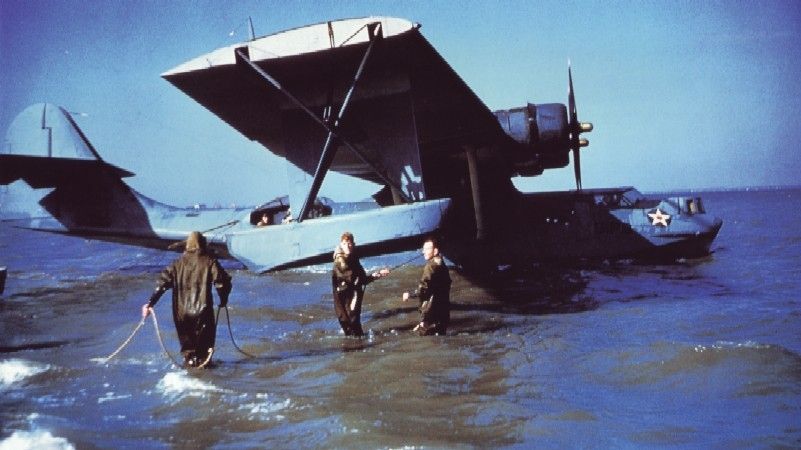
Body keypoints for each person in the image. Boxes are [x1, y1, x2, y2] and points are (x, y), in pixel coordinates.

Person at [141, 231, 232, 367]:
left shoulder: (176, 264)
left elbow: (162, 284)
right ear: (203, 246)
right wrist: (223, 299)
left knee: (188, 351)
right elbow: (222, 282)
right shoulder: (209, 261)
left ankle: (190, 372)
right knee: (204, 352)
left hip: (181, 314)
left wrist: (150, 303)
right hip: (203, 313)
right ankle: (204, 377)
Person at [332, 232, 389, 336]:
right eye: (345, 244)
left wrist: (378, 274)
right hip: (342, 301)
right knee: (348, 326)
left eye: (350, 243)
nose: (348, 246)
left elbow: (363, 279)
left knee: (356, 327)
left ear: (353, 244)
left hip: (353, 298)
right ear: (341, 245)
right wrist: (356, 286)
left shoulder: (354, 260)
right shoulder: (339, 263)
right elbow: (348, 281)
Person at [402, 237, 452, 336]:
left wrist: (410, 294)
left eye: (427, 249)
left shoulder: (431, 266)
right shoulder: (441, 263)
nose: (423, 252)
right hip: (443, 313)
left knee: (422, 338)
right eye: (423, 249)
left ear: (435, 251)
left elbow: (424, 288)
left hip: (432, 314)